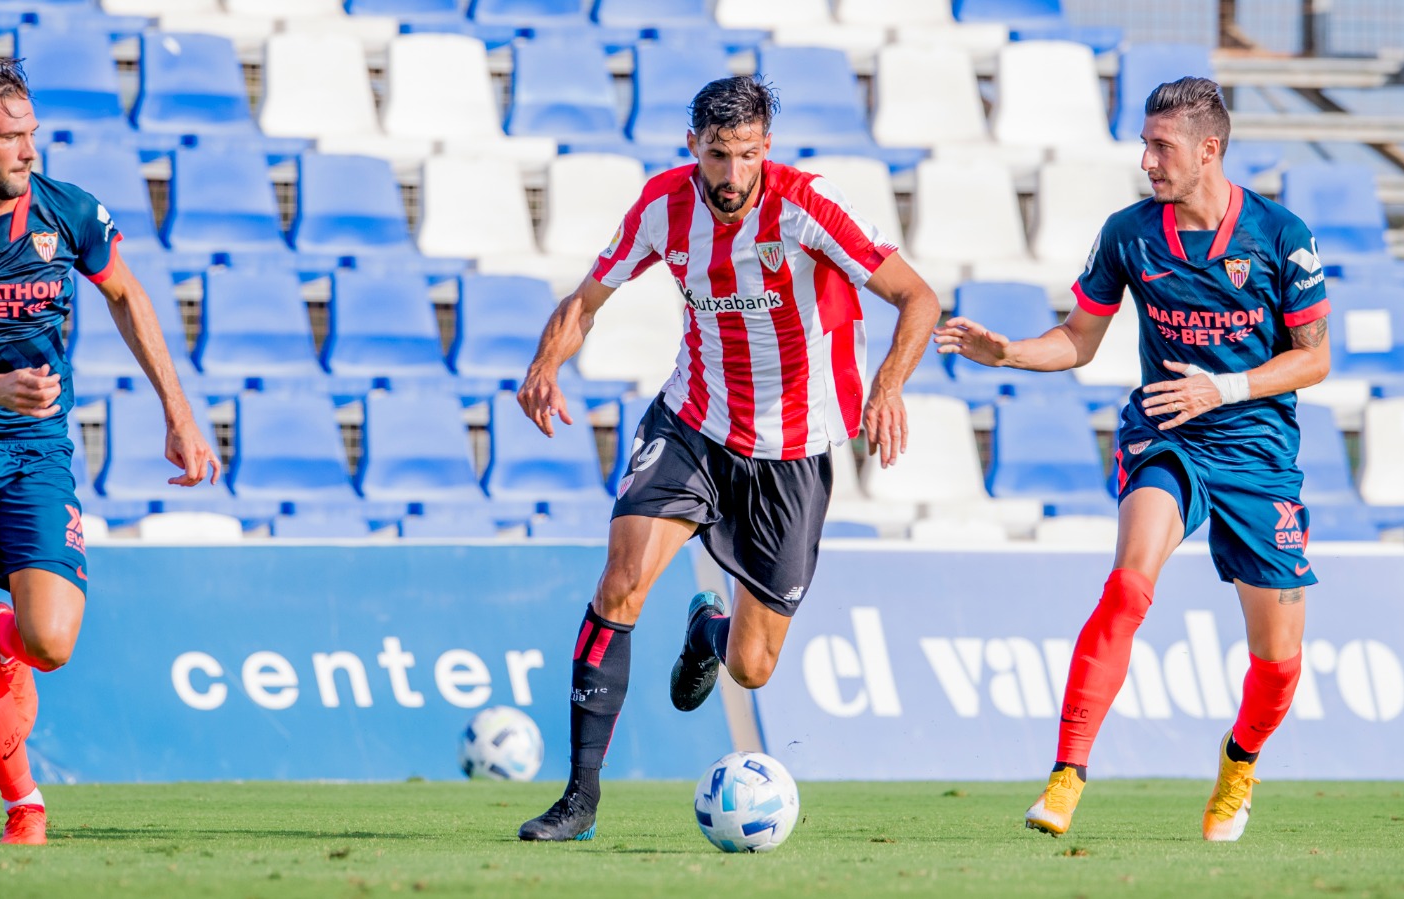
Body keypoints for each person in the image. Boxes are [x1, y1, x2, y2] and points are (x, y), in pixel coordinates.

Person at [514, 76, 941, 841]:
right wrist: (546, 363)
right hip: (694, 424)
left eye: (747, 154)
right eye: (718, 154)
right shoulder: (662, 207)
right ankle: (579, 799)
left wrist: (889, 385)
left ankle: (707, 631)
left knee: (751, 665)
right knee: (619, 582)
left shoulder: (808, 205)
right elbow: (586, 298)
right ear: (693, 149)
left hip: (793, 452)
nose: (733, 175)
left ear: (766, 149)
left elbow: (918, 297)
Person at [934, 77, 1330, 842]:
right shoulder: (1129, 233)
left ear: (1208, 149)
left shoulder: (1282, 235)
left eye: (1162, 147)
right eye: (1145, 144)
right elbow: (1079, 339)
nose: (1147, 161)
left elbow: (1314, 360)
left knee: (1278, 663)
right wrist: (1012, 351)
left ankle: (1240, 760)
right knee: (1127, 584)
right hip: (1167, 434)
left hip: (1258, 455)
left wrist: (1227, 386)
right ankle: (1066, 775)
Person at [0, 58, 219, 845]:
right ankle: (23, 801)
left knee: (50, 644)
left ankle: (10, 634)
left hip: (34, 447)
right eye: (10, 137)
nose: (30, 151)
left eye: (33, 134)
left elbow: (128, 295)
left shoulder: (69, 212)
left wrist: (178, 412)